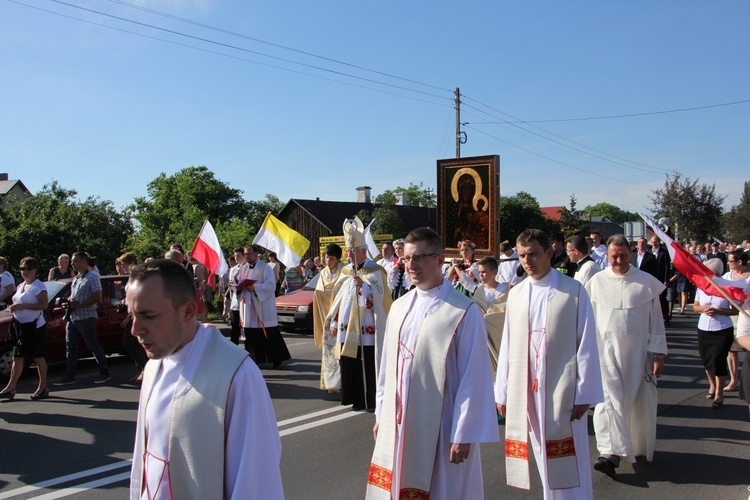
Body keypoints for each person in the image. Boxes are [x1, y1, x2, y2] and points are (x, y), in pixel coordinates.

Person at [127, 259, 284, 500]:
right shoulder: (153, 366)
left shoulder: (237, 375)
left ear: (188, 311)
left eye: (148, 316)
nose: (135, 329)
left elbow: (255, 483)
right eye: (132, 316)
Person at [366, 228, 498, 499]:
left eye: (420, 258)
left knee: (442, 489)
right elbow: (387, 369)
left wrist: (465, 433)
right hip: (399, 421)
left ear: (440, 260)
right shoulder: (400, 307)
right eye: (407, 259)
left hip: (443, 424)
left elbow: (474, 376)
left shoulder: (463, 311)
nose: (411, 266)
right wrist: (382, 414)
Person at [495, 229, 602, 499]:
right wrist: (503, 391)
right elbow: (507, 344)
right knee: (542, 456)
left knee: (568, 457)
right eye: (522, 256)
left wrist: (584, 393)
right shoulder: (517, 294)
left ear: (550, 253)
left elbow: (586, 342)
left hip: (563, 391)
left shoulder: (572, 290)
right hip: (526, 390)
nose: (527, 261)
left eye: (533, 254)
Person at [586, 234, 668, 476]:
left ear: (630, 254)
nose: (618, 260)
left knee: (629, 402)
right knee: (607, 402)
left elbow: (656, 321)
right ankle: (608, 452)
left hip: (637, 354)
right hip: (604, 351)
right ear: (607, 255)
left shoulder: (646, 283)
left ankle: (627, 446)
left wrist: (657, 354)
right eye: (614, 256)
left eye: (622, 255)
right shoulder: (597, 282)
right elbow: (588, 320)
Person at [325, 217, 391, 411]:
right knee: (350, 362)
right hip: (347, 327)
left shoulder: (376, 271)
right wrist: (335, 320)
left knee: (368, 362)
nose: (348, 253)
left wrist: (366, 287)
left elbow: (382, 299)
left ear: (363, 251)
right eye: (347, 250)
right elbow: (339, 299)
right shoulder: (345, 271)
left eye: (351, 250)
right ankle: (353, 398)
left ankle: (370, 400)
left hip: (368, 327)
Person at [53, 251, 110, 386]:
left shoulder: (92, 277)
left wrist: (81, 304)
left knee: (93, 345)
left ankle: (105, 372)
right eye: (72, 261)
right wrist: (68, 301)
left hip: (86, 317)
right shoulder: (76, 278)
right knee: (71, 346)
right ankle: (69, 375)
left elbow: (98, 296)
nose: (72, 263)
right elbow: (75, 296)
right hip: (73, 317)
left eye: (75, 261)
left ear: (84, 262)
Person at [0, 257, 49, 400]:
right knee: (17, 357)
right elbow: (17, 301)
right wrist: (14, 308)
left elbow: (44, 305)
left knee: (38, 357)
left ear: (35, 269)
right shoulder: (21, 286)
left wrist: (24, 306)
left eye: (28, 268)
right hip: (20, 325)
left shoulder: (39, 286)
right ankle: (11, 387)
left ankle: (42, 387)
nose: (25, 272)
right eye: (22, 269)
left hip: (34, 326)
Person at [238, 245, 291, 368]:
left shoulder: (265, 268)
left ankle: (277, 358)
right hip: (248, 306)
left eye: (249, 254)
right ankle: (255, 358)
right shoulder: (243, 268)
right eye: (245, 254)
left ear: (256, 254)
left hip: (262, 305)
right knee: (251, 334)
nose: (247, 256)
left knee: (269, 333)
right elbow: (238, 282)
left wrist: (255, 288)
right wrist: (238, 287)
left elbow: (271, 285)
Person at [692, 258, 736, 408]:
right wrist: (703, 309)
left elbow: (735, 309)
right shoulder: (702, 286)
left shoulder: (726, 286)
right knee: (707, 359)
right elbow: (696, 306)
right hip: (704, 328)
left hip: (722, 329)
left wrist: (718, 311)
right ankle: (712, 385)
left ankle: (719, 392)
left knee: (718, 360)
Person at [313, 243, 345, 392]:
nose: (328, 261)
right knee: (328, 352)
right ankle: (331, 383)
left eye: (332, 258)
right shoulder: (323, 273)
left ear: (338, 259)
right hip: (326, 316)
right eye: (326, 258)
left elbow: (344, 295)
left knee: (341, 350)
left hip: (340, 316)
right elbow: (318, 293)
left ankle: (343, 382)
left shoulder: (345, 272)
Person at [472, 256, 508, 378]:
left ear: (494, 272)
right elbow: (475, 310)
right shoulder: (479, 290)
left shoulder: (506, 290)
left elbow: (506, 314)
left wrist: (489, 319)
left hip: (499, 335)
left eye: (484, 272)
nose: (480, 275)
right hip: (482, 337)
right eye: (479, 272)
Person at [118, 252, 148, 382]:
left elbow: (138, 295)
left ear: (130, 263)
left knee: (129, 342)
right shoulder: (131, 276)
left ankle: (146, 369)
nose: (122, 266)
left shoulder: (137, 275)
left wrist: (128, 318)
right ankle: (143, 369)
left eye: (123, 264)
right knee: (135, 343)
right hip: (132, 311)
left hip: (136, 313)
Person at [725, 249, 750, 392]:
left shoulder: (749, 278)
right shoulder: (728, 276)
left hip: (746, 312)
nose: (728, 263)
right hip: (732, 314)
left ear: (740, 262)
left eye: (731, 261)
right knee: (732, 349)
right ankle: (734, 379)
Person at [227, 248, 245, 345]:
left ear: (243, 256)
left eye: (238, 255)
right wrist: (231, 284)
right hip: (235, 300)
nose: (236, 258)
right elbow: (231, 283)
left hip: (244, 301)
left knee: (245, 327)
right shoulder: (233, 269)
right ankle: (234, 346)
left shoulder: (247, 267)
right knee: (235, 325)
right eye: (235, 256)